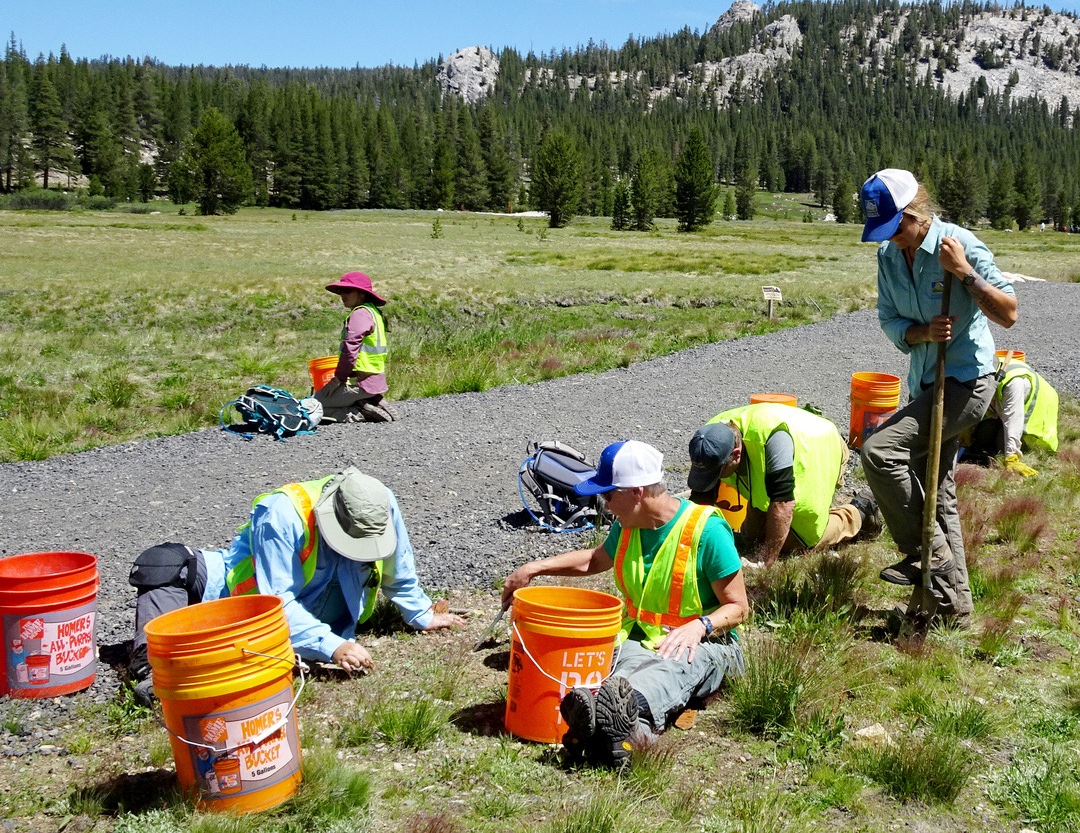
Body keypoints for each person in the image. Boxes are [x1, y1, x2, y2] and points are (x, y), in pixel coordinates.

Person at [501, 440, 748, 768]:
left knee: (660, 672)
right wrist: (535, 568)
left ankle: (611, 717)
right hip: (640, 636)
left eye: (608, 494)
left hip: (706, 644)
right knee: (617, 676)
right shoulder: (628, 525)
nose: (603, 504)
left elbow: (739, 608)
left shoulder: (708, 530)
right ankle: (622, 735)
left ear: (637, 492)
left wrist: (699, 626)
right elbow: (594, 559)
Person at [126, 467, 464, 704]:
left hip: (310, 623)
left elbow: (397, 565)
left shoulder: (380, 501)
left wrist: (420, 613)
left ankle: (202, 648)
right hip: (243, 602)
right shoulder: (283, 513)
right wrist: (332, 646)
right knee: (164, 563)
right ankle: (153, 669)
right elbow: (276, 602)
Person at [856, 168, 1018, 625]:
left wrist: (964, 274)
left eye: (899, 229)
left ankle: (924, 554)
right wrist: (920, 332)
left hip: (967, 382)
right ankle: (950, 607)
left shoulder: (957, 243)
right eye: (886, 232)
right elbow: (888, 317)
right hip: (928, 382)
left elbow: (1008, 312)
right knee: (938, 493)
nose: (896, 240)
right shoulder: (889, 256)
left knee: (879, 450)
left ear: (916, 213)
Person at [685, 402, 880, 565]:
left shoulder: (770, 442)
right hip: (774, 472)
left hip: (821, 448)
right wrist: (689, 542)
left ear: (736, 455)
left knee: (798, 543)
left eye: (717, 473)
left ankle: (860, 510)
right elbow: (702, 495)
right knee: (751, 539)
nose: (713, 479)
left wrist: (763, 562)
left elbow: (783, 505)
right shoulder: (710, 439)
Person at [314, 271, 394, 423]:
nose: (343, 295)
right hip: (373, 381)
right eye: (341, 291)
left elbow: (350, 350)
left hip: (358, 383)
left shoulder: (360, 314)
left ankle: (358, 412)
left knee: (311, 406)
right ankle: (370, 401)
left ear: (362, 294)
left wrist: (338, 379)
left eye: (348, 290)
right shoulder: (374, 312)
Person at [959, 355, 1059, 477]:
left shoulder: (1014, 383)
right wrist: (965, 428)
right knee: (982, 438)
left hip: (1037, 409)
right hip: (1004, 408)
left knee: (1002, 446)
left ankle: (1025, 444)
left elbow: (1014, 418)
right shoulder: (981, 372)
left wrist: (1011, 457)